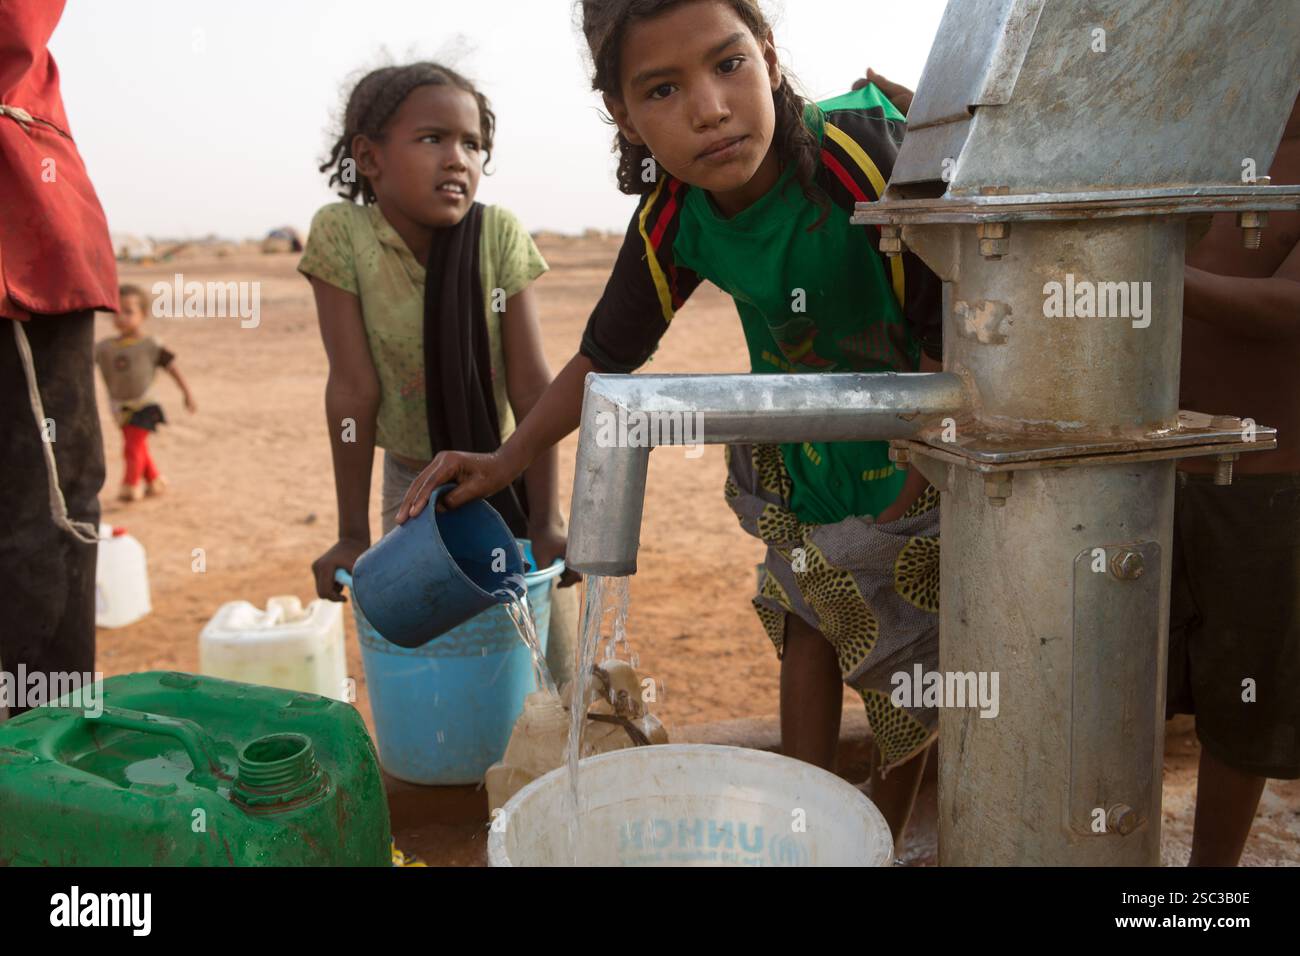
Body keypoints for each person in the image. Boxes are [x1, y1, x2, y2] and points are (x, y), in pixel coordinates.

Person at [397, 0, 945, 849]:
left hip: (921, 442)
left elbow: (950, 321)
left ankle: (888, 836)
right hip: (806, 447)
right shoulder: (674, 215)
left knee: (910, 661)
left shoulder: (863, 152)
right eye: (662, 89)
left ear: (767, 53)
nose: (710, 109)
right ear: (623, 114)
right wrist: (507, 461)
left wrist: (919, 478)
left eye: (729, 65)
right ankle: (799, 840)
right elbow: (603, 358)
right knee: (807, 622)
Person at [299, 61, 580, 617]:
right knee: (425, 629)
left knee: (537, 650)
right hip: (411, 484)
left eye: (473, 144)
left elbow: (530, 387)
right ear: (370, 157)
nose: (458, 157)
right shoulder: (343, 234)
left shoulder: (496, 232)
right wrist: (352, 533)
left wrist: (547, 520)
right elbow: (353, 390)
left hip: (506, 463)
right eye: (433, 138)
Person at [1168, 94, 1300, 866]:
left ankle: (1203, 893)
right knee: (1110, 679)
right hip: (1139, 471)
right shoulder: (1191, 126)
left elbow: (1291, 308)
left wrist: (1151, 272)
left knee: (1243, 712)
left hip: (1265, 485)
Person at [0, 0, 116, 717]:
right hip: (21, 230)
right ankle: (44, 760)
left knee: (43, 508)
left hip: (26, 232)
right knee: (41, 510)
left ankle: (41, 757)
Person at [94, 284, 196, 502]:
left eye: (129, 311)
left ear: (144, 314)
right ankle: (154, 480)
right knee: (138, 446)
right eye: (117, 311)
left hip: (144, 405)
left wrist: (186, 394)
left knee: (132, 446)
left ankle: (130, 486)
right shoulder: (104, 348)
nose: (121, 317)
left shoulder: (151, 345)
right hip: (118, 406)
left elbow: (172, 368)